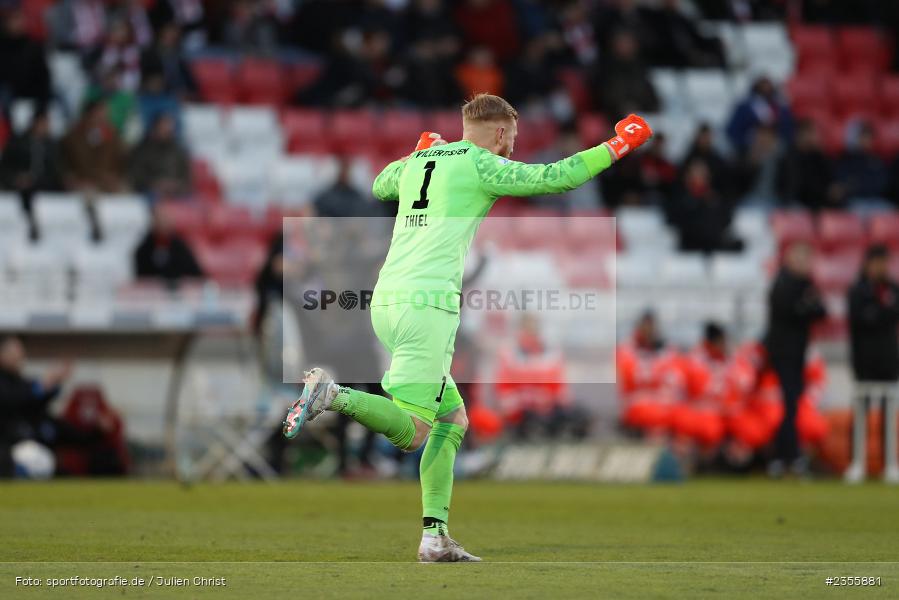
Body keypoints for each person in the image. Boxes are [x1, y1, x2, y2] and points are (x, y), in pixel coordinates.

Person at [283, 93, 652, 562]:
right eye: (511, 141)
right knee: (415, 431)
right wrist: (616, 146)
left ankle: (434, 537)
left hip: (387, 302)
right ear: (499, 134)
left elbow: (379, 185)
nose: (512, 151)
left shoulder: (422, 161)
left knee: (452, 419)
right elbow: (557, 178)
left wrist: (419, 153)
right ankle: (333, 395)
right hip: (427, 305)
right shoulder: (481, 163)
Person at [763, 242, 827, 477]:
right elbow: (790, 311)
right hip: (783, 354)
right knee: (787, 407)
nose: (806, 264)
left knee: (792, 407)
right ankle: (787, 456)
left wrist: (805, 308)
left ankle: (784, 456)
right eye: (801, 259)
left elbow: (820, 311)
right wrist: (805, 307)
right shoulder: (783, 283)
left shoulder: (805, 285)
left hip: (797, 353)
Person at [848, 245, 899, 384]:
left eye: (884, 262)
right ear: (868, 264)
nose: (882, 267)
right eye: (878, 262)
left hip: (889, 356)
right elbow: (861, 319)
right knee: (864, 398)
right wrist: (884, 312)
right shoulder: (857, 290)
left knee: (889, 400)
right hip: (865, 357)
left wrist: (877, 313)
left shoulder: (893, 288)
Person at [60, 99, 128, 193]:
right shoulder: (74, 137)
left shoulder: (113, 136)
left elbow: (121, 161)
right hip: (82, 182)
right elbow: (68, 162)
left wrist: (115, 176)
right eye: (100, 113)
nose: (103, 117)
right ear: (89, 114)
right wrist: (73, 178)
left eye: (105, 114)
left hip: (107, 182)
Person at [134, 205, 203, 283]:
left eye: (165, 220)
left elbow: (195, 275)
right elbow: (141, 278)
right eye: (159, 220)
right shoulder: (144, 249)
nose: (163, 223)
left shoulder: (180, 248)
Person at [128, 113, 191, 198]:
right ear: (155, 128)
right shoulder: (142, 150)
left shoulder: (178, 151)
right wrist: (156, 184)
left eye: (170, 128)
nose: (168, 130)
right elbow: (137, 175)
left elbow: (186, 176)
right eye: (164, 127)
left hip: (176, 193)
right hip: (149, 193)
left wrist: (175, 185)